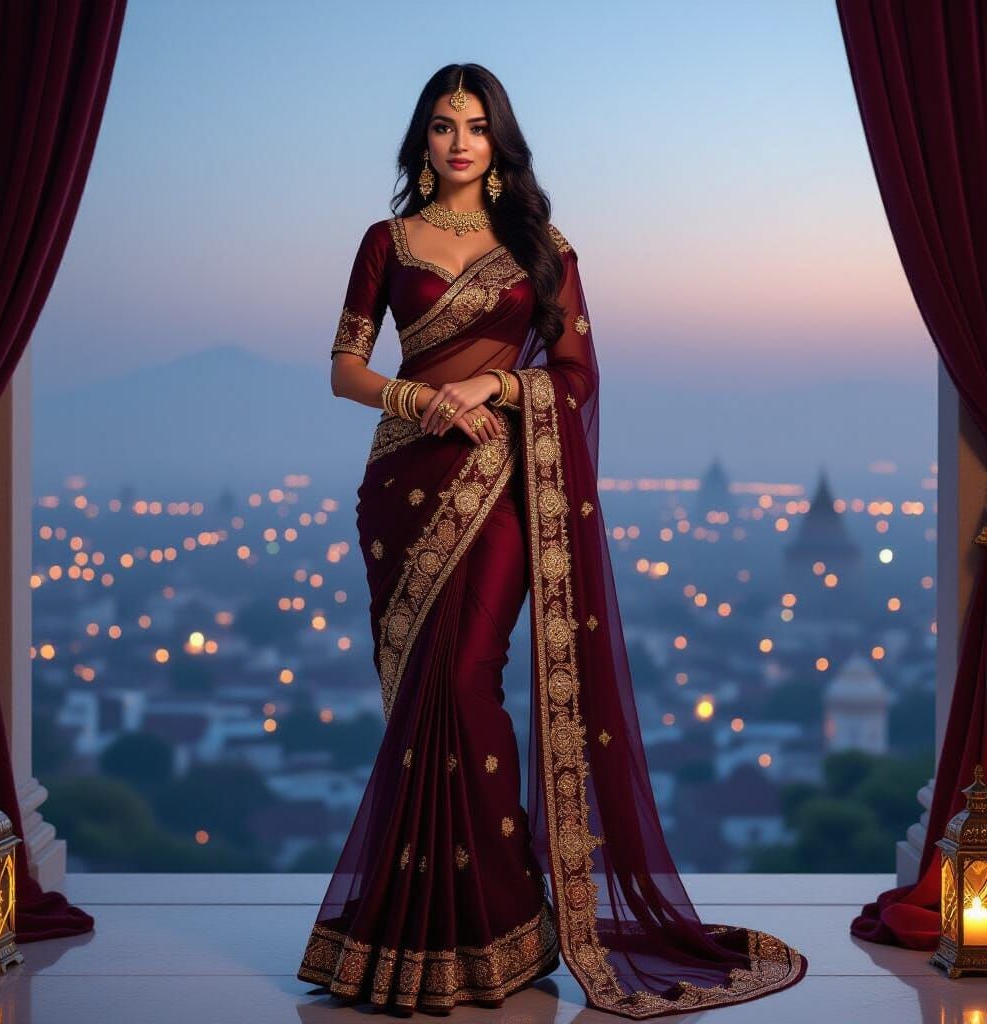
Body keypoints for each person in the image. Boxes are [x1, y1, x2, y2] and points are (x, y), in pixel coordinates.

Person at [297, 63, 807, 1018]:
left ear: (499, 142)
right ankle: (417, 931)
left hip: (499, 486)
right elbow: (343, 368)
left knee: (466, 682)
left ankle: (502, 921)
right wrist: (417, 396)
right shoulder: (386, 240)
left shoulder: (543, 249)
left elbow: (571, 376)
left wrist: (493, 389)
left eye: (477, 125)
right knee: (418, 703)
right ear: (421, 139)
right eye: (443, 124)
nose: (458, 140)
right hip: (403, 487)